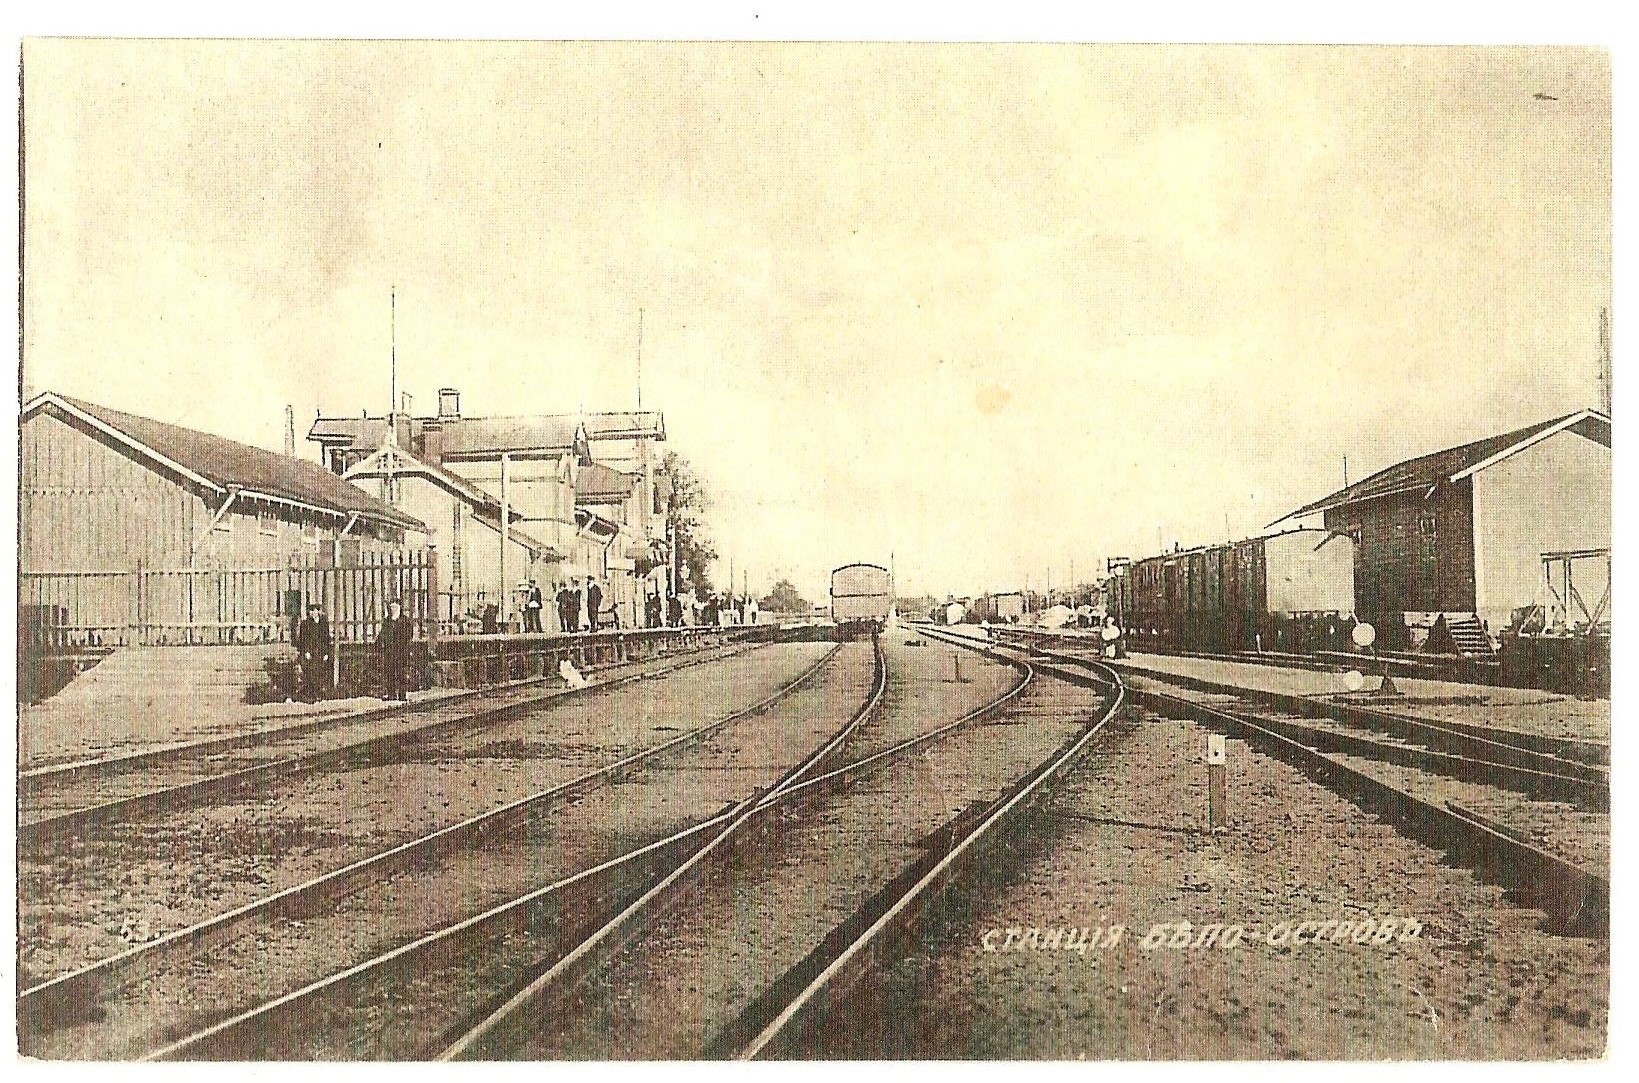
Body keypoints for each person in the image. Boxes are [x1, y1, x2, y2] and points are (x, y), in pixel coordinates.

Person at [293, 602, 333, 702]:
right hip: (310, 652)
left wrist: (327, 653)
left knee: (321, 672)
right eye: (310, 611)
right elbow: (302, 639)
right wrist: (306, 651)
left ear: (318, 611)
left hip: (321, 652)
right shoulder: (305, 623)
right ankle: (312, 695)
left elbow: (326, 639)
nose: (312, 613)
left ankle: (320, 694)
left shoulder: (324, 623)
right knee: (311, 673)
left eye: (314, 610)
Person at [377, 599, 415, 701]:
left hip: (401, 652)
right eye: (391, 607)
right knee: (390, 674)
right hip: (389, 652)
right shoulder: (387, 621)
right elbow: (382, 634)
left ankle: (402, 695)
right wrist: (379, 644)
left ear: (399, 608)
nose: (392, 609)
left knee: (401, 674)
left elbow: (408, 636)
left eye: (394, 607)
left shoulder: (405, 621)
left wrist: (403, 647)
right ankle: (391, 695)